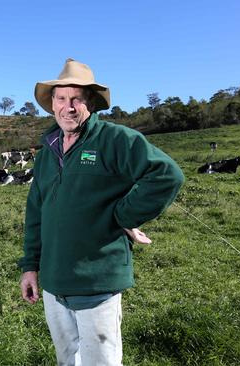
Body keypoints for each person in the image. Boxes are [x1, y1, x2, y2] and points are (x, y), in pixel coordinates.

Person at [18, 58, 184, 365]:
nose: (68, 107)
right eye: (61, 98)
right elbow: (36, 212)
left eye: (76, 99)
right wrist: (30, 267)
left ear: (90, 103)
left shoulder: (114, 140)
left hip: (96, 282)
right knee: (68, 360)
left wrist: (122, 217)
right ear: (52, 103)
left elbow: (167, 175)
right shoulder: (47, 153)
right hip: (54, 283)